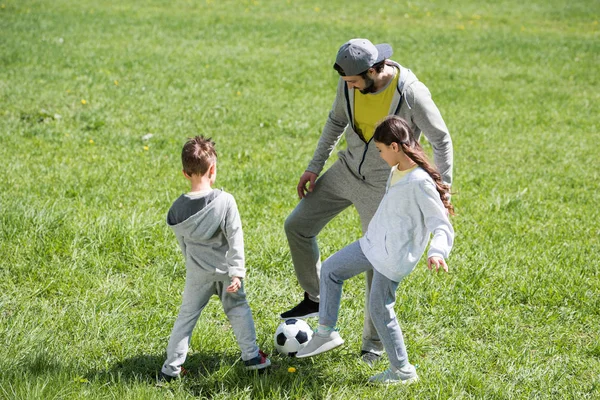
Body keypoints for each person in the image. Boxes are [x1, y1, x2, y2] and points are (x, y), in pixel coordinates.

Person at [282, 38, 453, 365]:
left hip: (381, 183)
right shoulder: (349, 84)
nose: (347, 86)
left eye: (352, 81)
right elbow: (336, 121)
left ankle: (372, 347)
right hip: (346, 170)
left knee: (379, 261)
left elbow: (441, 139)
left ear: (374, 71)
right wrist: (313, 167)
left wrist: (442, 190)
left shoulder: (411, 93)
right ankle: (319, 297)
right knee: (297, 226)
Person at [296, 116, 455, 385]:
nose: (380, 156)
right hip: (373, 244)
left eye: (381, 150)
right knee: (332, 269)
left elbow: (441, 224)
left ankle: (402, 370)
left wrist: (437, 251)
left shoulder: (420, 182)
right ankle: (326, 333)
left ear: (395, 147)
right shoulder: (396, 171)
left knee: (380, 309)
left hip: (392, 256)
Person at [160, 136, 270, 381]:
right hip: (226, 273)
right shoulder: (225, 201)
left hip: (197, 274)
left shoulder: (176, 209)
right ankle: (252, 357)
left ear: (185, 173)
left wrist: (194, 265)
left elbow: (184, 245)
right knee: (239, 309)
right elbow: (235, 238)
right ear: (212, 169)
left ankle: (171, 369)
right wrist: (237, 271)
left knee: (186, 318)